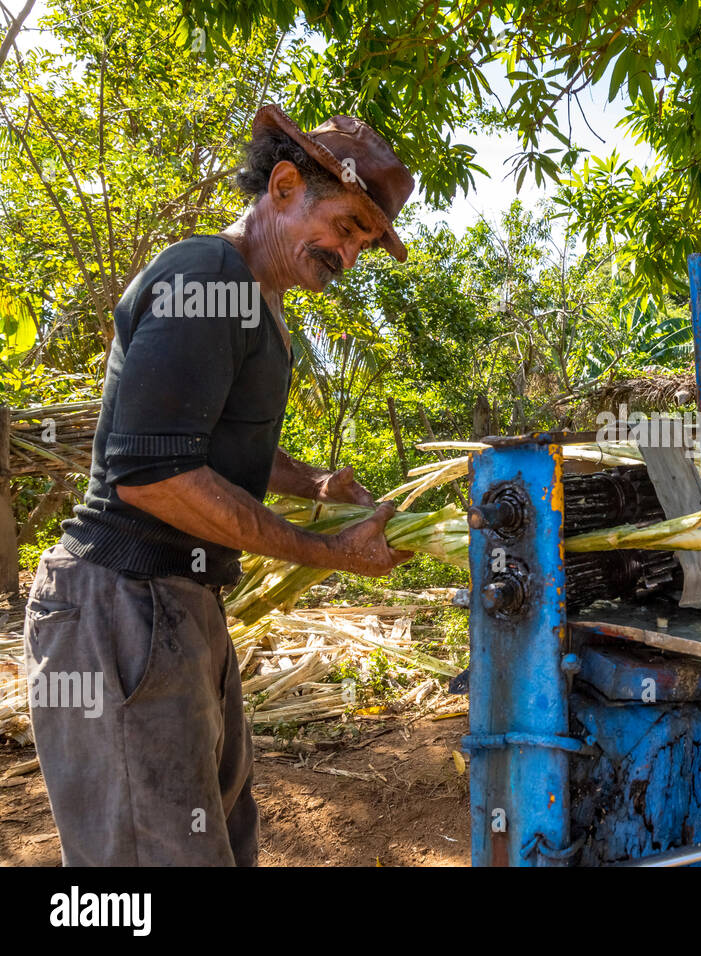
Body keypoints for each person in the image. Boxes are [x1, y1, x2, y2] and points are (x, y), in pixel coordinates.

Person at [23, 104, 416, 865]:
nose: (350, 252)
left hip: (178, 605)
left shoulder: (256, 302)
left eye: (366, 240)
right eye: (346, 224)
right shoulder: (207, 276)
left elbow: (202, 439)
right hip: (121, 605)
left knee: (217, 842)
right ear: (283, 184)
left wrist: (316, 482)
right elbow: (153, 474)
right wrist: (327, 552)